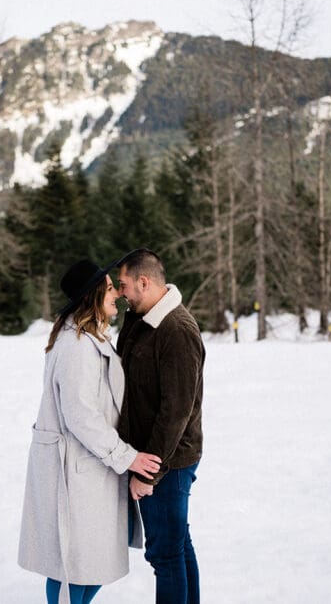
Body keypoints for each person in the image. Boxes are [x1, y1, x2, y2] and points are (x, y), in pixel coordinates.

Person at [18, 258, 163, 604]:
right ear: (94, 295)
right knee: (71, 565)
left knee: (87, 563)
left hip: (89, 468)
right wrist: (126, 457)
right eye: (110, 287)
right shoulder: (77, 346)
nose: (117, 293)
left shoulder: (86, 338)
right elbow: (80, 415)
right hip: (76, 471)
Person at [116, 248, 205, 604]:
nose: (120, 293)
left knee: (165, 554)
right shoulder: (143, 318)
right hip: (153, 457)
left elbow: (176, 412)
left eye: (123, 285)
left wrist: (147, 472)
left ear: (144, 281)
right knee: (177, 544)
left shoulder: (176, 330)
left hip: (168, 463)